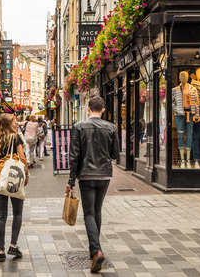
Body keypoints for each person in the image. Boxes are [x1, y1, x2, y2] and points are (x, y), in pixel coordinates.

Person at [66, 96, 119, 274]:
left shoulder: (79, 127)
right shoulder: (111, 127)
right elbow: (115, 155)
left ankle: (96, 250)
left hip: (86, 175)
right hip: (104, 174)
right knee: (97, 211)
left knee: (88, 212)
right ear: (103, 109)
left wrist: (71, 181)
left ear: (88, 109)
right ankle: (93, 248)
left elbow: (74, 156)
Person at [0, 113, 29, 262]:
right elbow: (22, 158)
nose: (17, 124)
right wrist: (27, 174)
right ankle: (13, 245)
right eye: (14, 121)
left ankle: (0, 250)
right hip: (14, 178)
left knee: (1, 216)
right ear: (8, 124)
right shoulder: (15, 137)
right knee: (17, 213)